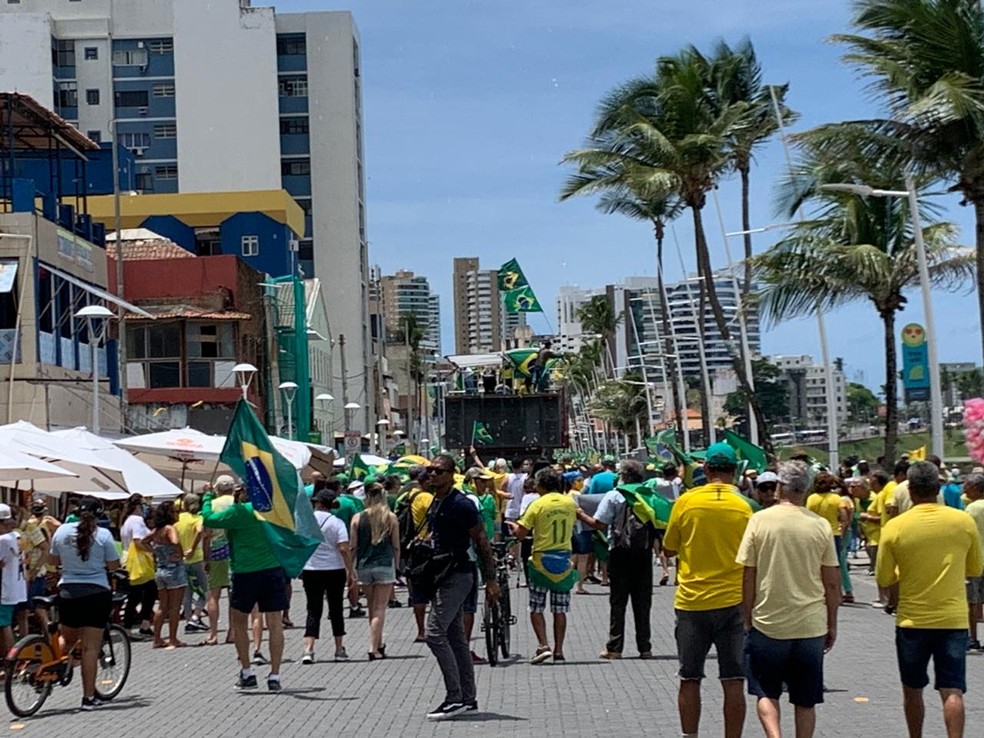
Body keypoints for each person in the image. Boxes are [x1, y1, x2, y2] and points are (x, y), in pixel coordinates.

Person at [876, 461, 983, 738]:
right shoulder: (963, 521)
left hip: (913, 621)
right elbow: (975, 569)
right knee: (952, 690)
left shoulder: (896, 527)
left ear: (910, 490)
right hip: (953, 619)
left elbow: (885, 577)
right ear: (937, 487)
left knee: (912, 690)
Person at [736, 461, 841, 738]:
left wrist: (747, 616)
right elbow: (832, 582)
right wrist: (832, 623)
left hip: (768, 621)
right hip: (810, 624)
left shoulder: (759, 521)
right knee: (805, 699)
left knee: (766, 691)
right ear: (805, 489)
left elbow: (748, 575)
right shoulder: (819, 526)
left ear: (780, 487)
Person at [663, 442, 755, 738]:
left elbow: (669, 547)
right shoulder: (747, 506)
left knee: (689, 678)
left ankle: (690, 735)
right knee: (733, 680)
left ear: (705, 469)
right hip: (735, 603)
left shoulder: (686, 502)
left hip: (692, 603)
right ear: (736, 471)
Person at [416, 455, 498, 721]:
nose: (433, 474)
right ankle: (468, 698)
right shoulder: (435, 501)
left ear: (452, 474)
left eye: (438, 471)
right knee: (455, 638)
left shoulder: (461, 504)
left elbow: (482, 539)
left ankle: (455, 697)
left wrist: (491, 579)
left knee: (434, 633)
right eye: (430, 470)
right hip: (441, 572)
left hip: (458, 572)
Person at [202, 478, 290, 692]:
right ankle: (275, 675)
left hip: (245, 571)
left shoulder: (240, 512)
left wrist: (207, 496)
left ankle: (247, 671)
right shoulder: (273, 511)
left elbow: (209, 519)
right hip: (272, 569)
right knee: (275, 622)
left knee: (239, 621)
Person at [576, 459, 656, 660]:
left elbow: (599, 524)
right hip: (644, 552)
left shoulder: (615, 495)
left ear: (624, 476)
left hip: (620, 552)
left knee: (618, 601)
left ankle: (615, 647)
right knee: (643, 601)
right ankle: (644, 647)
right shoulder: (647, 494)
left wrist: (580, 514)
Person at [48, 496, 121, 711]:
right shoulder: (103, 535)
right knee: (90, 648)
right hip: (96, 593)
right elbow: (113, 564)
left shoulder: (61, 531)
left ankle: (58, 668)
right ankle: (88, 697)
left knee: (67, 638)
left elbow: (53, 561)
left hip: (68, 591)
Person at [510, 467, 577, 663]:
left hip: (541, 560)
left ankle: (543, 644)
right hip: (564, 560)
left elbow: (521, 534)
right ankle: (559, 650)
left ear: (542, 485)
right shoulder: (569, 503)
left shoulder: (537, 504)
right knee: (560, 608)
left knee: (536, 606)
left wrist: (514, 528)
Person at [301, 489, 355, 663]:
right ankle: (339, 649)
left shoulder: (306, 522)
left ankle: (308, 649)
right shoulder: (337, 522)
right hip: (334, 569)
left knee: (313, 609)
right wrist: (350, 570)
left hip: (311, 569)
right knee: (336, 608)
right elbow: (344, 548)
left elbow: (300, 543)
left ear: (316, 503)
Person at [351, 483, 400, 660]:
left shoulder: (357, 518)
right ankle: (373, 647)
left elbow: (353, 546)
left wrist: (350, 569)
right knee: (380, 608)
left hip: (364, 565)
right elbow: (395, 545)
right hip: (384, 564)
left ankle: (378, 643)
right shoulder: (390, 517)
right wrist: (397, 564)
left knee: (372, 607)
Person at [807, 473, 854, 604]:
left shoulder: (812, 499)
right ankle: (838, 595)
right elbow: (844, 517)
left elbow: (808, 516)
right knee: (835, 566)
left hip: (816, 534)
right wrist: (842, 530)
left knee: (817, 565)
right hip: (834, 534)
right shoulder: (836, 498)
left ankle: (821, 594)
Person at [148, 500, 188, 649]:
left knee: (162, 607)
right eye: (175, 511)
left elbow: (144, 541)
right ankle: (173, 638)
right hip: (174, 569)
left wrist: (156, 552)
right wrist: (179, 552)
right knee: (175, 607)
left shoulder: (156, 531)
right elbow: (175, 541)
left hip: (161, 569)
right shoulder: (169, 529)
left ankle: (157, 639)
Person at [203, 478, 234, 646]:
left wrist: (205, 557)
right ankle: (232, 632)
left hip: (215, 550)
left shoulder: (212, 505)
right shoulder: (236, 503)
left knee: (213, 595)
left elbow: (206, 534)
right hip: (233, 551)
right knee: (233, 595)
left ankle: (213, 633)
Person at [120, 494, 155, 639]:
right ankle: (136, 626)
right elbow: (138, 541)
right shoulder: (137, 520)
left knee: (140, 593)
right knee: (143, 593)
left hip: (128, 559)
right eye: (143, 505)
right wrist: (153, 551)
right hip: (138, 561)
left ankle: (140, 625)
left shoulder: (126, 521)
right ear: (137, 506)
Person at [175, 493, 208, 633]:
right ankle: (195, 617)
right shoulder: (198, 518)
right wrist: (192, 549)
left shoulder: (180, 518)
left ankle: (188, 620)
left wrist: (182, 551)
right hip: (196, 558)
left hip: (182, 560)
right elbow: (200, 531)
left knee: (187, 593)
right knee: (204, 591)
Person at [0, 504, 26, 658]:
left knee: (4, 625)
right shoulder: (16, 537)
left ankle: (10, 660)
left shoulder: (3, 540)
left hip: (4, 587)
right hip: (14, 586)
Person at [964, 473, 984, 651]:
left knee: (971, 601)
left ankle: (973, 638)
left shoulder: (971, 509)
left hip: (975, 561)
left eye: (967, 485)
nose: (964, 488)